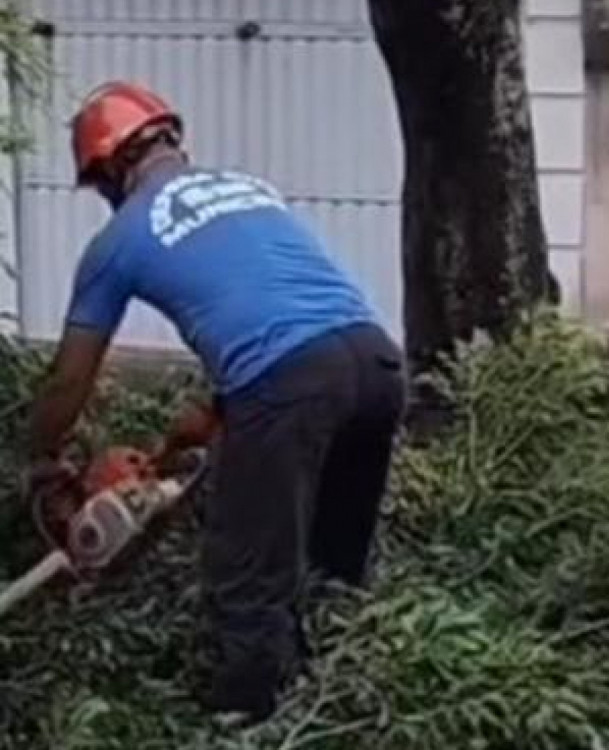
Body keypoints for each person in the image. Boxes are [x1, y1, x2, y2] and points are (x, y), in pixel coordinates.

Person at [24, 81, 409, 723]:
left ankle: (250, 724)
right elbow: (279, 310)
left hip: (289, 382)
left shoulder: (118, 241)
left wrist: (39, 457)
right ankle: (350, 707)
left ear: (113, 166)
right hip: (376, 365)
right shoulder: (247, 188)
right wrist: (183, 438)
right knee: (334, 562)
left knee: (247, 580)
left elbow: (68, 382)